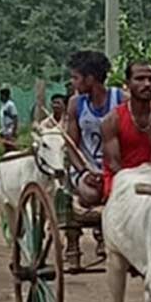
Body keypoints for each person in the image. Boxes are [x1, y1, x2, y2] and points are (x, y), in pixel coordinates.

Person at [101, 61, 151, 200]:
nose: (147, 84)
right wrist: (136, 181)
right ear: (128, 83)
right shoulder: (112, 120)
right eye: (140, 79)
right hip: (124, 178)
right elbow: (114, 164)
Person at [61, 50, 122, 209]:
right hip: (87, 169)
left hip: (117, 169)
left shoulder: (122, 100)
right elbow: (71, 146)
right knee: (92, 194)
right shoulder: (75, 104)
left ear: (90, 79)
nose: (72, 82)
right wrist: (84, 172)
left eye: (75, 77)